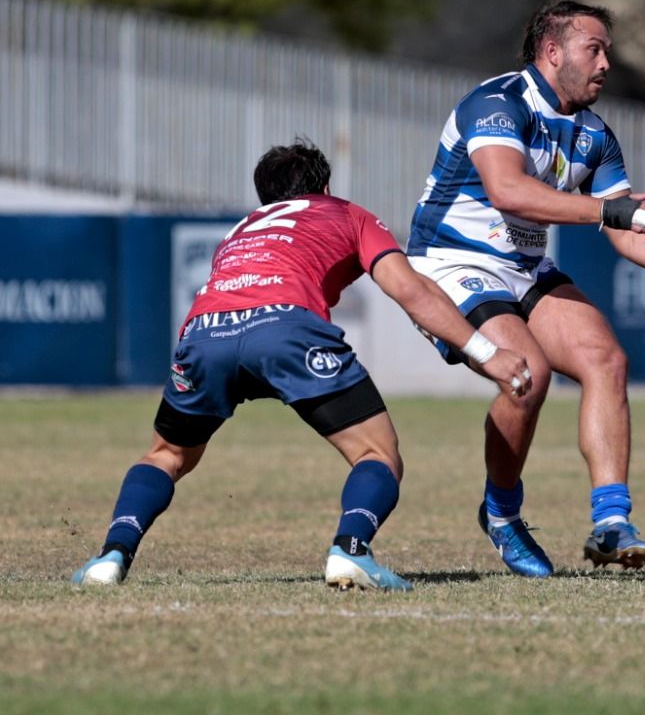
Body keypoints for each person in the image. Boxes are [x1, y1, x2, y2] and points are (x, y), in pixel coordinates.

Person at [72, 141, 533, 592]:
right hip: (286, 329)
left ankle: (112, 554)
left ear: (266, 196)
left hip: (204, 333)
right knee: (377, 455)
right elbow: (410, 290)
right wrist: (487, 352)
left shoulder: (241, 229)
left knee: (166, 455)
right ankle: (351, 549)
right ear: (325, 186)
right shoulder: (346, 213)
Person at [406, 0, 645, 578]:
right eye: (593, 49)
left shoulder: (595, 134)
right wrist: (609, 210)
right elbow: (508, 190)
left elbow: (626, 230)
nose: (605, 64)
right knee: (526, 374)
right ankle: (501, 515)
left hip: (522, 266)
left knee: (606, 359)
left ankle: (612, 522)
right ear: (553, 53)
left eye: (608, 52)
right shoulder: (499, 103)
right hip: (449, 262)